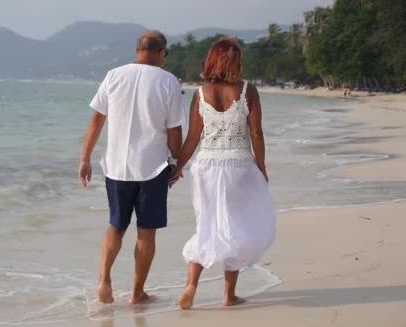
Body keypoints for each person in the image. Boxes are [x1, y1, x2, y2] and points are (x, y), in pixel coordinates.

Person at [168, 37, 276, 309]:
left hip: (206, 167)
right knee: (235, 228)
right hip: (238, 166)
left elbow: (193, 138)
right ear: (235, 61)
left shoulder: (200, 93)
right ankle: (228, 295)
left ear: (212, 61)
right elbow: (256, 133)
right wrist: (261, 165)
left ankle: (191, 285)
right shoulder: (247, 90)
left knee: (206, 225)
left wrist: (178, 166)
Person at [78, 31, 184, 305]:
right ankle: (137, 294)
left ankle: (103, 280)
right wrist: (178, 162)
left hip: (116, 167)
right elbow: (174, 131)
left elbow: (96, 121)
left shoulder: (113, 75)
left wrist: (85, 158)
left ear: (138, 50)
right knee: (146, 232)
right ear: (161, 53)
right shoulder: (168, 81)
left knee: (115, 227)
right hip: (153, 167)